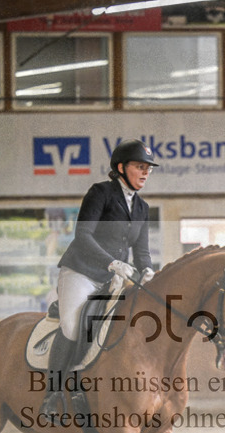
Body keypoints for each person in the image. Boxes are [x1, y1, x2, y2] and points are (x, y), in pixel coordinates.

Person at [40, 139, 158, 413]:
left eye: (148, 169)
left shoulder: (142, 207)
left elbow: (142, 250)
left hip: (112, 280)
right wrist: (112, 262)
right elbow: (82, 236)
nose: (145, 173)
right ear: (121, 167)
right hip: (80, 272)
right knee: (72, 325)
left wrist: (148, 269)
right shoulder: (101, 193)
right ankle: (53, 393)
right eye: (140, 167)